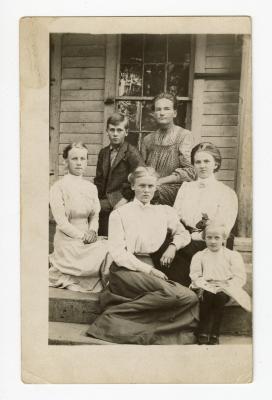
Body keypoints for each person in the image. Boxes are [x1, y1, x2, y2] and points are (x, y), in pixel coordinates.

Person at [86, 166, 199, 345]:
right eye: (142, 186)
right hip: (126, 269)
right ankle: (112, 317)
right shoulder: (120, 214)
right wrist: (150, 271)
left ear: (156, 188)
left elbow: (183, 233)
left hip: (154, 265)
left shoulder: (163, 211)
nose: (146, 191)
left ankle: (142, 324)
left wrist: (172, 246)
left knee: (188, 296)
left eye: (151, 186)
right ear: (133, 187)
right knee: (181, 295)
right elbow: (118, 252)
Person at [154, 142, 238, 288]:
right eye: (198, 162)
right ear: (193, 165)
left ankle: (187, 291)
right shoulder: (186, 188)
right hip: (182, 239)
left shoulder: (226, 193)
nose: (202, 166)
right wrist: (176, 242)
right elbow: (175, 218)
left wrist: (189, 239)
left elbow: (223, 229)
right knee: (156, 247)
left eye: (207, 161)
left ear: (216, 164)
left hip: (207, 243)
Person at [49, 142, 112, 293]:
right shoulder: (58, 187)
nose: (79, 163)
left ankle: (106, 282)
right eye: (74, 158)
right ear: (66, 161)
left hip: (88, 237)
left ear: (86, 161)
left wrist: (92, 232)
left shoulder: (91, 188)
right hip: (68, 241)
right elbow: (62, 223)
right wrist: (83, 236)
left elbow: (94, 215)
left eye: (82, 159)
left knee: (112, 247)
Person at [190, 222, 251, 345]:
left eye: (217, 238)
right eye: (209, 237)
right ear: (204, 238)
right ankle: (203, 330)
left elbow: (239, 277)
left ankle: (215, 332)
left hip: (226, 287)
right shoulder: (200, 256)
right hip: (205, 287)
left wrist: (224, 286)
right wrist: (206, 285)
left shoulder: (232, 256)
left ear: (224, 239)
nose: (213, 241)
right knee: (208, 296)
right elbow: (195, 275)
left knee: (220, 297)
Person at [141, 92, 195, 206]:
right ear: (154, 113)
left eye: (166, 109)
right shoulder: (148, 140)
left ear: (174, 113)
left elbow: (190, 171)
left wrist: (160, 181)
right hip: (151, 187)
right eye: (158, 109)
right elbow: (142, 168)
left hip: (175, 188)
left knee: (151, 194)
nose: (162, 113)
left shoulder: (184, 136)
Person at [94, 113, 145, 236]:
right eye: (112, 130)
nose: (115, 134)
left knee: (99, 211)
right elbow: (99, 179)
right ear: (107, 131)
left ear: (126, 132)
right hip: (104, 197)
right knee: (87, 208)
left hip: (122, 197)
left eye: (119, 130)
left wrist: (125, 198)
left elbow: (140, 177)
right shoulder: (103, 153)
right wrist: (94, 197)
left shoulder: (131, 152)